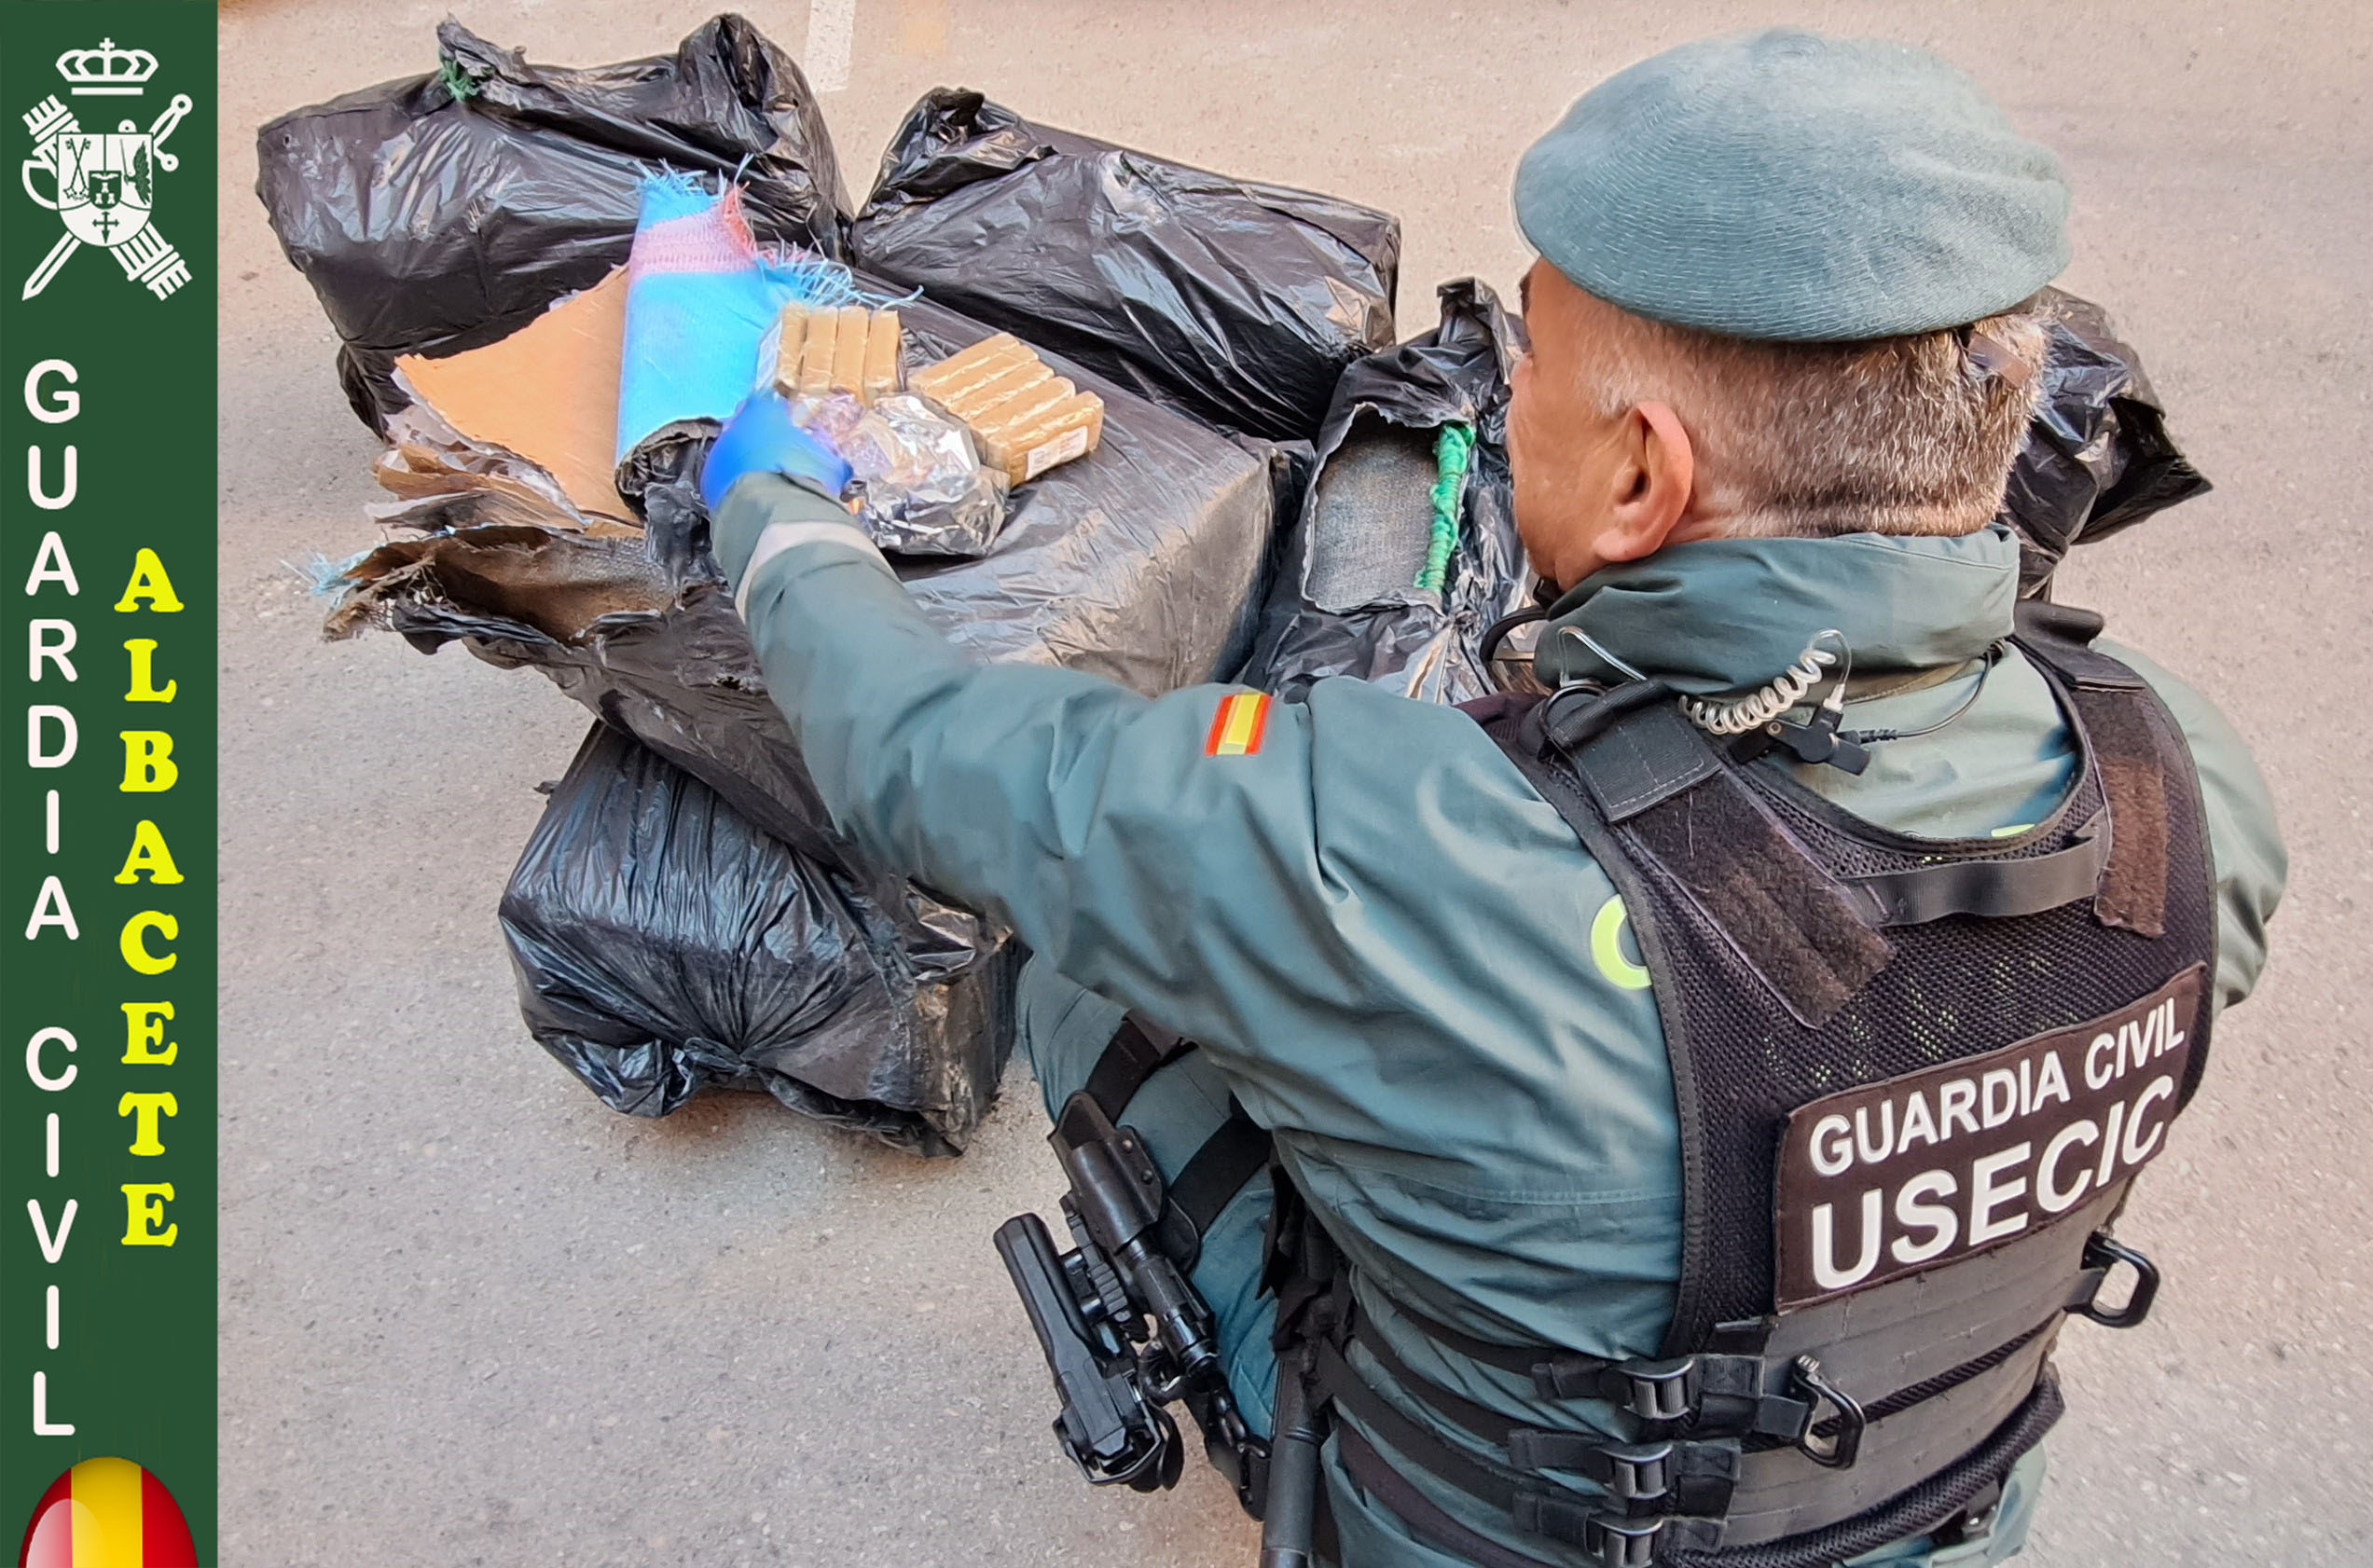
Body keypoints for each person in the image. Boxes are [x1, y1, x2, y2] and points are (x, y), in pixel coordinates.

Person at [697, 28, 2283, 1568]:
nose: (1505, 393)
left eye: (1532, 361)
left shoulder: (1383, 839)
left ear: (1641, 477)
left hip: (1472, 1524)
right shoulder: (2173, 778)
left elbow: (916, 756)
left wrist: (774, 506)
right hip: (1929, 1497)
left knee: (1083, 958)